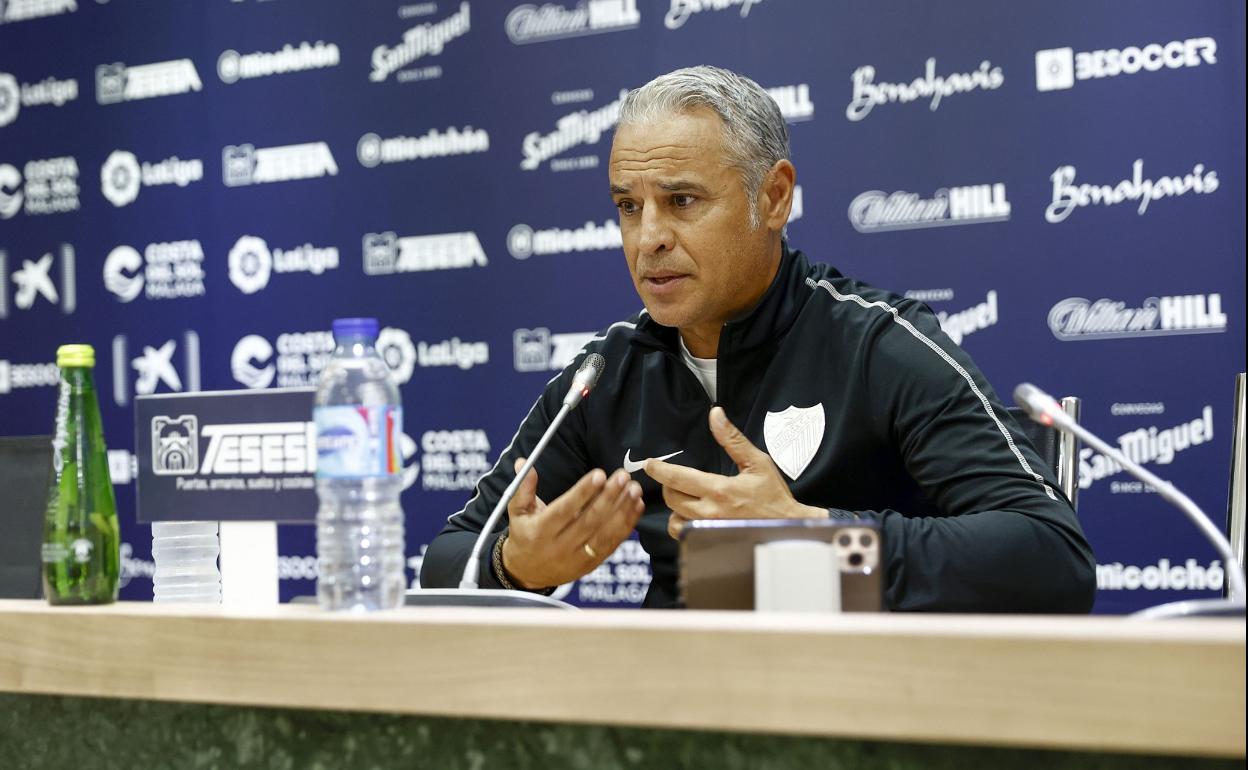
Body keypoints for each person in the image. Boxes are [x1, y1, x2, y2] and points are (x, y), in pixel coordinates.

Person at [421, 65, 1096, 612]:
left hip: (859, 712)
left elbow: (1050, 555)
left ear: (773, 198)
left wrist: (820, 540)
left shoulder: (878, 344)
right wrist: (515, 564)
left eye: (682, 201)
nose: (648, 237)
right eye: (628, 206)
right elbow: (448, 557)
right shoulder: (607, 374)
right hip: (672, 717)